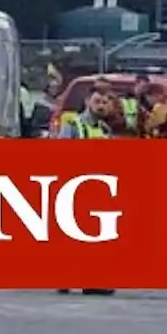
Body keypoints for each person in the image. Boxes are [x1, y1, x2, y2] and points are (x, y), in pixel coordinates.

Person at [55, 85, 114, 295]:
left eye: (106, 102)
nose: (102, 106)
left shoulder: (105, 130)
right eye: (98, 101)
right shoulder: (73, 125)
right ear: (88, 101)